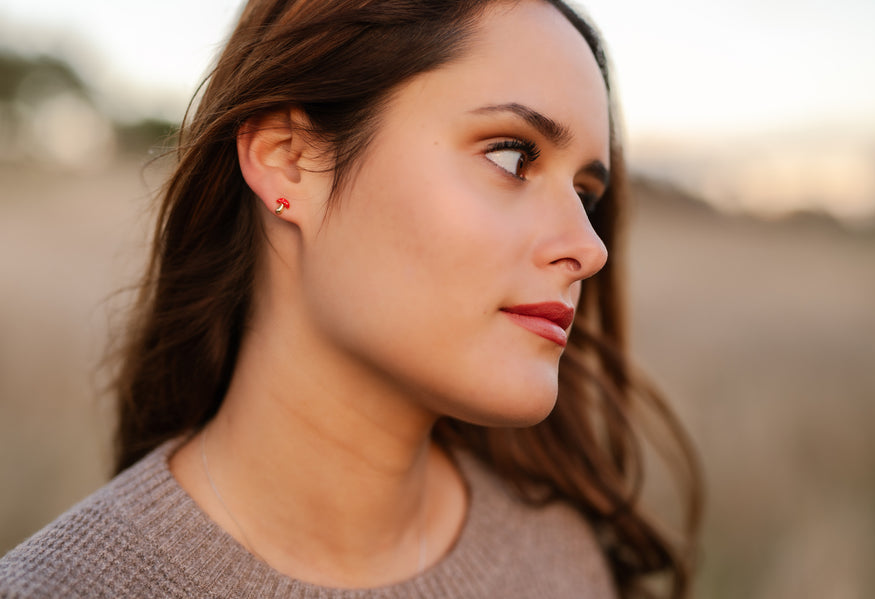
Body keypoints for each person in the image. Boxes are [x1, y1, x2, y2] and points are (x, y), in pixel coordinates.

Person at [0, 0, 701, 597]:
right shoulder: (64, 583)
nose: (589, 246)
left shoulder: (560, 564)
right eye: (512, 156)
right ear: (291, 158)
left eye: (585, 194)